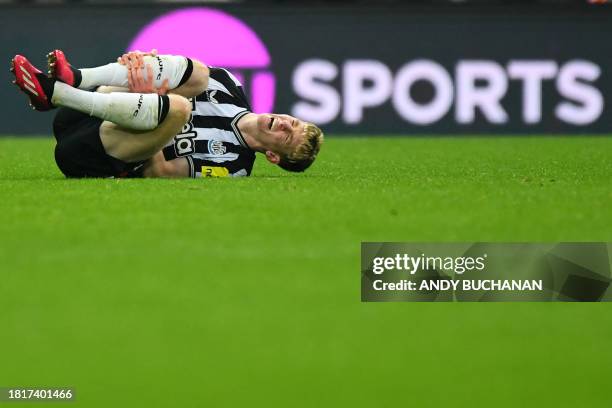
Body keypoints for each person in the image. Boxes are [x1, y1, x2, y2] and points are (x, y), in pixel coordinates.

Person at [10, 50, 323, 178]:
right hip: (84, 112)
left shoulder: (235, 166)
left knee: (178, 108)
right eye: (292, 122)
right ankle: (76, 79)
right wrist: (146, 58)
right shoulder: (229, 84)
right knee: (199, 74)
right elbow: (173, 71)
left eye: (286, 135)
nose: (283, 123)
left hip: (95, 151)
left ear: (272, 155)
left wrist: (158, 110)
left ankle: (57, 93)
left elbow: (158, 171)